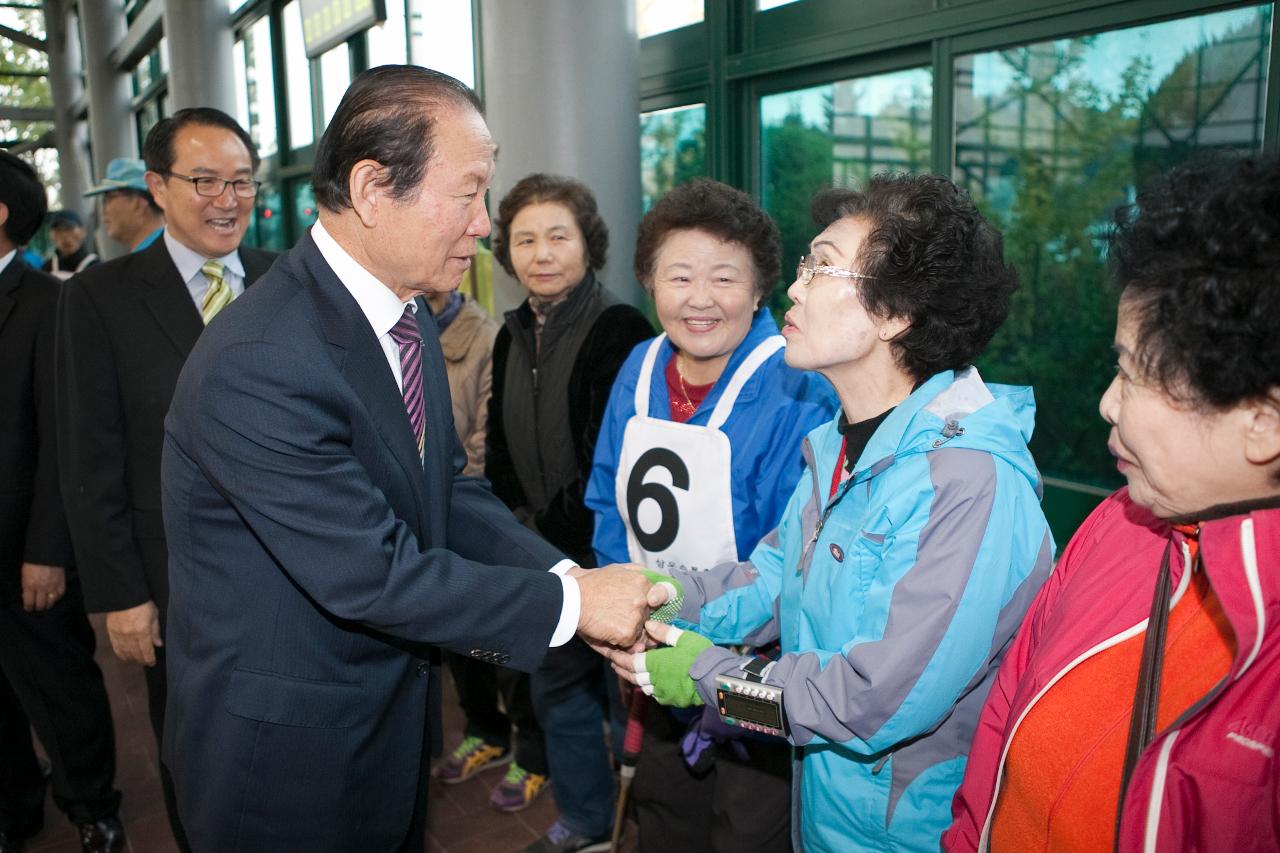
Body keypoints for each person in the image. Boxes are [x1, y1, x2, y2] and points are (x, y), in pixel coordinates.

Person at [159, 65, 654, 852]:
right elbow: (372, 572)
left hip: (383, 727)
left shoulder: (404, 317)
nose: (486, 225)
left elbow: (447, 491)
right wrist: (573, 612)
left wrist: (568, 579)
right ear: (372, 188)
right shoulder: (262, 359)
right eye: (468, 194)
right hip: (287, 762)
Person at [605, 173, 1055, 852]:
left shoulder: (971, 485)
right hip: (825, 811)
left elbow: (869, 701)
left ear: (894, 311)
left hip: (906, 832)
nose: (794, 286)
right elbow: (773, 581)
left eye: (820, 266)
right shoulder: (836, 448)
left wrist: (706, 677)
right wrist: (670, 595)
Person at [945, 155, 1280, 852]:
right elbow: (1004, 722)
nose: (1106, 402)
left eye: (1133, 374)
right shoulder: (1117, 524)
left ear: (1263, 422)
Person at [585, 178, 837, 853]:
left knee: (750, 826)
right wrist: (625, 604)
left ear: (760, 291)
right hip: (654, 645)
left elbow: (790, 544)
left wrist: (709, 637)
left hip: (758, 667)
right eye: (679, 276)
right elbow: (609, 495)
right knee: (665, 811)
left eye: (724, 278)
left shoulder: (798, 384)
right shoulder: (639, 367)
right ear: (648, 281)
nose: (700, 299)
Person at [55, 107, 278, 851]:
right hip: (177, 580)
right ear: (157, 185)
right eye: (204, 180)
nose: (227, 198)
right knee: (199, 754)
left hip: (302, 569)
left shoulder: (290, 278)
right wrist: (121, 594)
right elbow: (91, 456)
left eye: (242, 181)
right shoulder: (100, 298)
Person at [480, 172, 653, 849]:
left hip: (603, 558)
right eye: (525, 239)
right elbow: (495, 446)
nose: (541, 253)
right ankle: (585, 822)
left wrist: (545, 542)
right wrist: (517, 531)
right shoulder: (512, 331)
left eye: (559, 236)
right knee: (560, 698)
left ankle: (633, 823)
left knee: (624, 703)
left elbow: (604, 464)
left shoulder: (620, 328)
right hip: (540, 564)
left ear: (590, 245)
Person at [0, 152, 125, 853]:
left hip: (27, 550)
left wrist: (47, 548)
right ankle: (15, 806)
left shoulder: (50, 302)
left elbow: (63, 438)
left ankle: (90, 804)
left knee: (59, 687)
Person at [425, 286, 543, 811]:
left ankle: (530, 751)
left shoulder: (484, 336)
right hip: (428, 521)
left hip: (469, 509)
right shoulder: (391, 327)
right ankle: (486, 731)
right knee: (458, 646)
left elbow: (481, 442)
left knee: (508, 653)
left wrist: (445, 500)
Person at [83, 158, 165, 253]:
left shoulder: (156, 257)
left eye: (109, 199)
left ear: (138, 204)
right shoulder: (168, 250)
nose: (103, 210)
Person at [42, 209, 97, 280]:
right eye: (58, 230)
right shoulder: (47, 268)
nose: (64, 235)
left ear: (83, 232)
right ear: (52, 235)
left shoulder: (94, 266)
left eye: (69, 228)